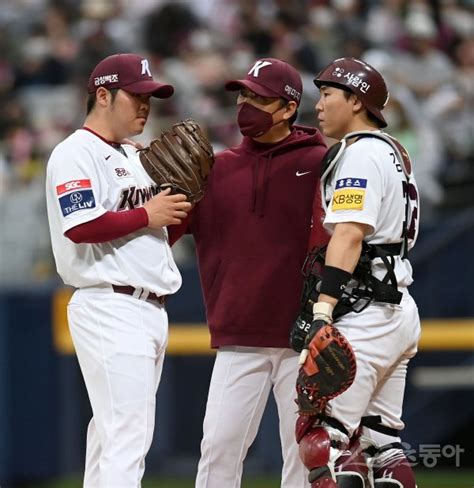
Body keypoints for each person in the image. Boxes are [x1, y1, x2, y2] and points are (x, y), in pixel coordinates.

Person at [169, 57, 328, 487]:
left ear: (288, 108)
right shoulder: (215, 169)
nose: (245, 105)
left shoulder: (322, 163)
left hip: (304, 336)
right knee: (218, 450)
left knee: (303, 459)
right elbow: (164, 234)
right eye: (242, 95)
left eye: (258, 97)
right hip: (240, 335)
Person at [45, 53, 192, 487]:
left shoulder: (137, 155)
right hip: (109, 304)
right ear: (104, 95)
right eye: (137, 97)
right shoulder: (74, 152)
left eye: (151, 97)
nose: (146, 106)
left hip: (149, 307)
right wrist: (149, 213)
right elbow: (82, 226)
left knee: (113, 435)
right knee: (128, 434)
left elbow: (158, 231)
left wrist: (185, 206)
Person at [295, 57, 421, 487]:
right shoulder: (393, 150)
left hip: (367, 312)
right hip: (398, 308)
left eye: (328, 95)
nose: (319, 106)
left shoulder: (361, 152)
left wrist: (323, 308)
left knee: (323, 443)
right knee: (381, 445)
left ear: (355, 99)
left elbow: (348, 235)